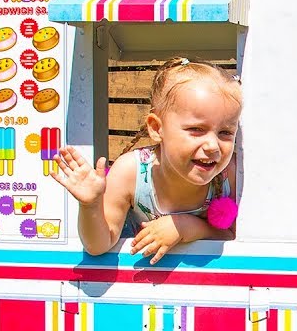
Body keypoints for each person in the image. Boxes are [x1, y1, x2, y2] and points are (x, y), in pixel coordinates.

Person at [52, 57, 242, 264]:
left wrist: (188, 227)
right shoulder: (130, 172)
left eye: (225, 132)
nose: (213, 146)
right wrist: (90, 205)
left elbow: (237, 238)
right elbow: (98, 245)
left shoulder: (230, 175)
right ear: (156, 128)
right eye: (196, 129)